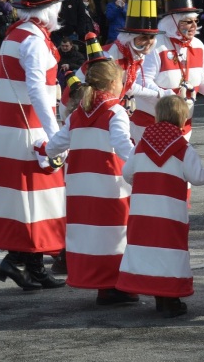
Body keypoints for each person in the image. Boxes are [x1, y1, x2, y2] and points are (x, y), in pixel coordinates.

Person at [0, 0, 69, 292]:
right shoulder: (34, 40)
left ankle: (29, 265)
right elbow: (36, 90)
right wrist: (55, 136)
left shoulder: (18, 33)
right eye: (57, 5)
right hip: (28, 129)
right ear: (47, 9)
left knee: (28, 200)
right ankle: (20, 261)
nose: (60, 10)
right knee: (38, 197)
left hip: (10, 129)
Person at [116, 94, 204, 318]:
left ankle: (158, 297)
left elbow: (127, 173)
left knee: (148, 250)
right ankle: (171, 298)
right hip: (170, 212)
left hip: (143, 210)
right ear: (182, 119)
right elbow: (197, 177)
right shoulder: (183, 148)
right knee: (170, 250)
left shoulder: (141, 145)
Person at [46, 57, 135, 305]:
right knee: (115, 234)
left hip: (80, 188)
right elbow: (122, 146)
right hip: (108, 184)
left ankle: (98, 283)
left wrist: (46, 149)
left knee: (89, 235)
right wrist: (142, 163)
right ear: (113, 83)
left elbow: (54, 147)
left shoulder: (77, 114)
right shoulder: (115, 111)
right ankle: (113, 286)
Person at [148, 0, 204, 140]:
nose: (194, 26)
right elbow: (143, 82)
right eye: (187, 22)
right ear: (173, 22)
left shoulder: (198, 45)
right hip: (154, 123)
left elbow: (203, 80)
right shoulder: (156, 45)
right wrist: (170, 98)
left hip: (185, 123)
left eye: (195, 21)